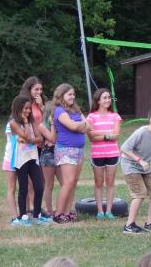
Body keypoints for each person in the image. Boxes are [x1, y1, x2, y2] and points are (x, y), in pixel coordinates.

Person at [9, 95, 51, 226]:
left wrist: (29, 140)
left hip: (33, 157)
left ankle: (37, 214)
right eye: (25, 108)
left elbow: (39, 138)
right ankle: (23, 217)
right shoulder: (13, 123)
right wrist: (26, 123)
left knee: (39, 186)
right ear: (18, 108)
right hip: (20, 159)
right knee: (23, 188)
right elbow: (26, 135)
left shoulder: (33, 122)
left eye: (29, 108)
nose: (28, 111)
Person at [52, 83, 91, 223]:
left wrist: (80, 126)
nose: (72, 97)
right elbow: (73, 126)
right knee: (67, 182)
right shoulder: (59, 110)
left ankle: (67, 213)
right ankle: (58, 214)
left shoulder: (76, 109)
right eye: (69, 94)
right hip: (66, 150)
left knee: (74, 182)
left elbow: (88, 126)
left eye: (73, 94)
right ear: (61, 95)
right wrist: (80, 125)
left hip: (79, 149)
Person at [86, 88, 122, 220]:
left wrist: (100, 134)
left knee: (110, 182)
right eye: (104, 98)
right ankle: (100, 211)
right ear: (98, 100)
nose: (107, 100)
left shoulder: (115, 116)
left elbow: (116, 135)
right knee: (98, 183)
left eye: (109, 97)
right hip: (97, 154)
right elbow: (91, 136)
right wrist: (108, 134)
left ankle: (109, 211)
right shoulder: (91, 117)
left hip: (112, 153)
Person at [19, 76, 47, 212]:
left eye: (41, 89)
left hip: (43, 144)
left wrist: (42, 106)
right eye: (36, 89)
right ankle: (29, 207)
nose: (39, 92)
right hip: (30, 145)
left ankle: (38, 206)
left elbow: (49, 118)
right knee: (29, 181)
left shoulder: (41, 103)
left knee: (41, 179)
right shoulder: (24, 104)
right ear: (29, 89)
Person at [37, 101, 59, 217]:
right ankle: (49, 210)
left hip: (59, 153)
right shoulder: (41, 125)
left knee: (64, 183)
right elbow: (52, 138)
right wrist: (52, 124)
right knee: (49, 184)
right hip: (48, 155)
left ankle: (61, 209)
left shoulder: (59, 123)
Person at [2, 120, 20, 226]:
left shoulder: (26, 123)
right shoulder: (11, 124)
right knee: (11, 188)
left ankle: (26, 212)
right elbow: (16, 139)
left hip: (22, 159)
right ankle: (14, 216)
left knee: (26, 186)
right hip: (10, 159)